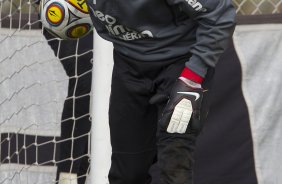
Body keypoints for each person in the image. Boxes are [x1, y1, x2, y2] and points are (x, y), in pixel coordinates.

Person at [86, 0, 236, 183]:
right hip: (128, 63)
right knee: (127, 173)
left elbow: (220, 16)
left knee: (175, 164)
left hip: (182, 63)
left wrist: (192, 78)